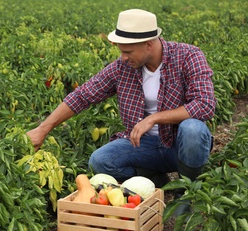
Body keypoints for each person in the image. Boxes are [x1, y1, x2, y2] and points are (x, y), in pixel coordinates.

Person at [27, 9, 216, 214]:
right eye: (121, 51)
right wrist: (42, 129)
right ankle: (156, 180)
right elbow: (82, 95)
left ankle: (186, 192)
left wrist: (154, 118)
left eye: (128, 52)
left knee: (193, 129)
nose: (123, 57)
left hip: (178, 145)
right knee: (101, 161)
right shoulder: (122, 68)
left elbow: (205, 104)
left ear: (149, 44)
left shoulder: (189, 56)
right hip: (145, 146)